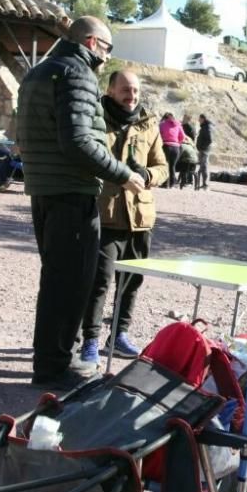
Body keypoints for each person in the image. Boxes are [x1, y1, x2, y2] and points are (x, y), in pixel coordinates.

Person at [17, 15, 146, 391]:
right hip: (71, 194)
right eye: (107, 49)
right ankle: (55, 369)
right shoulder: (76, 74)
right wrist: (123, 174)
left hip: (43, 191)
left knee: (56, 281)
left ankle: (53, 362)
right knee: (71, 285)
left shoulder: (37, 73)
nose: (106, 59)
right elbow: (77, 141)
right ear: (91, 43)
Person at [78, 69, 168, 368]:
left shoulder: (148, 125)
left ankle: (119, 334)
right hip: (106, 215)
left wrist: (148, 174)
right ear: (111, 90)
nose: (132, 97)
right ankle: (90, 339)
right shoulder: (95, 120)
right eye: (126, 91)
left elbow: (163, 167)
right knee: (98, 281)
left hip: (140, 217)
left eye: (136, 92)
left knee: (131, 281)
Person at [158, 112, 184, 188]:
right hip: (176, 148)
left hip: (166, 146)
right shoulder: (178, 124)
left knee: (165, 165)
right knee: (172, 166)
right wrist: (177, 142)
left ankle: (165, 184)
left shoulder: (162, 124)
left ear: (164, 118)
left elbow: (158, 135)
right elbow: (182, 137)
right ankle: (172, 184)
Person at [176, 117, 199, 189]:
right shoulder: (189, 127)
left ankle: (181, 182)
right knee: (186, 162)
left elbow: (179, 156)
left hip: (186, 163)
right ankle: (187, 182)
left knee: (181, 164)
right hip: (194, 163)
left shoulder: (187, 127)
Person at [195, 113, 214, 190]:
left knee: (204, 167)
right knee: (202, 168)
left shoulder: (207, 127)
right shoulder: (205, 127)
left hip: (205, 151)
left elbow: (210, 140)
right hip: (203, 150)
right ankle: (202, 184)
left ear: (203, 119)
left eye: (199, 119)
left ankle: (205, 184)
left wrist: (202, 147)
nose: (198, 120)